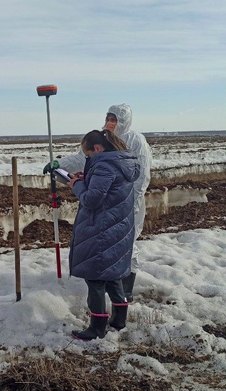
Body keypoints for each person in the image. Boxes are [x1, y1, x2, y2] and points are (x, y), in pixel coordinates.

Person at [45, 104, 150, 300]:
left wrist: (132, 204)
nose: (111, 124)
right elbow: (83, 159)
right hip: (106, 204)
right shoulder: (100, 139)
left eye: (115, 120)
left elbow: (141, 176)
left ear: (124, 122)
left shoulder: (136, 141)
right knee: (106, 246)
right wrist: (59, 165)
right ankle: (112, 292)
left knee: (126, 244)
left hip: (126, 203)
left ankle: (125, 291)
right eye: (109, 119)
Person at [67, 130, 140, 340]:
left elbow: (92, 200)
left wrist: (77, 185)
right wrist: (87, 177)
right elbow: (108, 190)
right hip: (117, 227)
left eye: (88, 155)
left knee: (95, 279)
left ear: (98, 149)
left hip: (102, 229)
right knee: (113, 275)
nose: (88, 159)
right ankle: (119, 320)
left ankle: (96, 328)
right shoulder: (121, 163)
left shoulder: (105, 166)